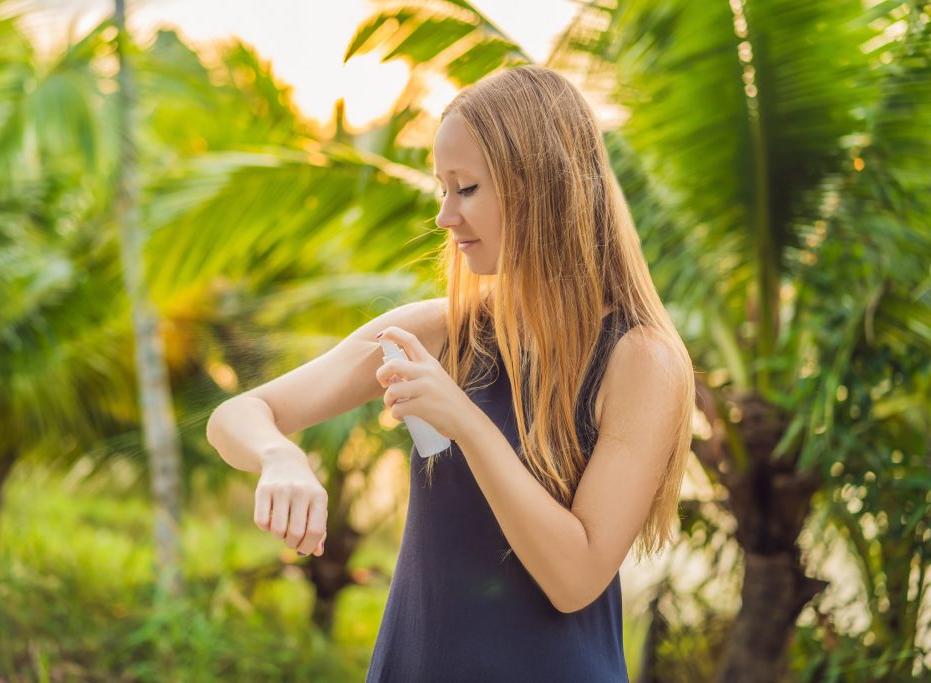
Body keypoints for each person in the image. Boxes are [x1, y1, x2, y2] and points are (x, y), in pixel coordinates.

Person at [206, 64, 696, 682]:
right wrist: (279, 457)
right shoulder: (444, 332)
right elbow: (237, 415)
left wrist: (463, 418)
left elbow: (575, 579)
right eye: (442, 187)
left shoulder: (640, 361)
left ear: (538, 187)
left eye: (465, 188)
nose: (444, 216)